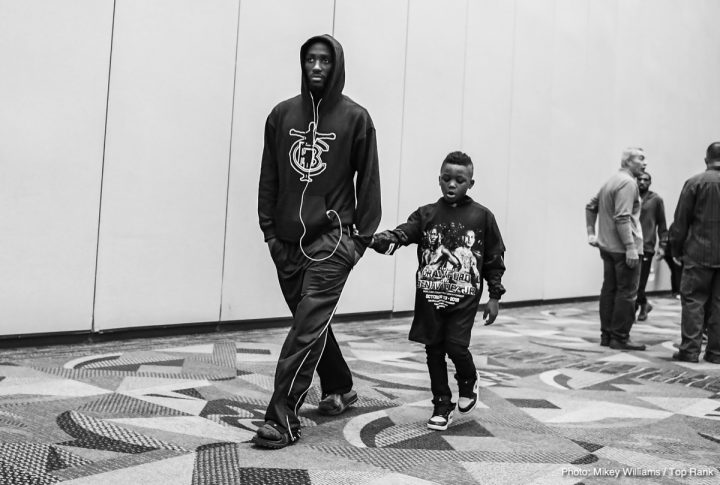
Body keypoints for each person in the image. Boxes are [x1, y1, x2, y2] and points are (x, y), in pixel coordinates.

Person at [255, 34, 381, 448]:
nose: (316, 67)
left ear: (336, 65)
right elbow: (269, 177)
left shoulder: (355, 118)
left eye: (325, 60)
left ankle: (282, 417)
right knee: (309, 322)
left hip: (333, 240)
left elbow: (370, 182)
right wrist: (271, 233)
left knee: (305, 331)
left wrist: (357, 240)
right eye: (310, 59)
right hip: (287, 243)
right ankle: (340, 385)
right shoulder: (281, 114)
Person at [370, 151, 506, 431]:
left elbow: (494, 257)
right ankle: (441, 405)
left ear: (471, 182)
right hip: (430, 297)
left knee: (456, 346)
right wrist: (380, 239)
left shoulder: (482, 216)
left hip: (464, 298)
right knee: (433, 351)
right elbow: (403, 233)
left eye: (460, 179)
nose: (452, 184)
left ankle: (468, 381)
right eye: (447, 179)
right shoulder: (426, 214)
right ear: (439, 180)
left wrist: (494, 296)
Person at [585, 147, 647, 350]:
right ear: (628, 161)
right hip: (623, 249)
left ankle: (607, 335)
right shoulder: (628, 183)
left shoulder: (611, 180)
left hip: (608, 247)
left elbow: (591, 206)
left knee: (609, 290)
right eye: (641, 158)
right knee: (627, 294)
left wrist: (591, 233)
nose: (644, 163)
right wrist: (630, 247)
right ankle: (620, 337)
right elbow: (622, 217)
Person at [670, 142, 720, 364]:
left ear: (706, 159)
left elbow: (681, 221)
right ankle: (716, 353)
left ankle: (690, 351)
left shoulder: (694, 183)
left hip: (697, 253)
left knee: (693, 302)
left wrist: (675, 248)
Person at [635, 171, 668, 321]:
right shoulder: (631, 196)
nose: (642, 182)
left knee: (640, 283)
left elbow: (662, 224)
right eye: (639, 179)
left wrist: (662, 245)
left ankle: (637, 308)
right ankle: (644, 304)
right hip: (631, 245)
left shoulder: (656, 200)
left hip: (647, 246)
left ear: (650, 182)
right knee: (632, 283)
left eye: (645, 180)